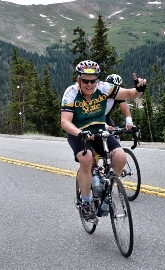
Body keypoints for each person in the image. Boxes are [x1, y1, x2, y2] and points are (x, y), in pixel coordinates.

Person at [60, 60, 146, 220]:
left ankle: (107, 193)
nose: (89, 84)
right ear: (78, 79)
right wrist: (80, 133)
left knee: (121, 157)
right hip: (78, 131)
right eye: (85, 80)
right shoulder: (71, 93)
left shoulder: (104, 88)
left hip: (99, 129)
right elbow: (65, 121)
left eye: (93, 81)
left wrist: (139, 89)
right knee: (86, 160)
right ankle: (86, 203)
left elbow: (129, 94)